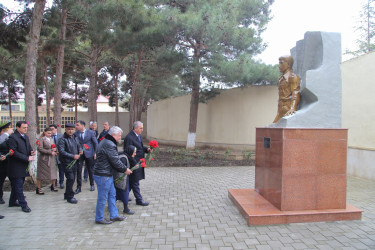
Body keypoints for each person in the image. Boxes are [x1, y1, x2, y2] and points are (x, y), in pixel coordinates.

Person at [93, 126, 131, 224]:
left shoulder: (106, 141)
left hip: (106, 174)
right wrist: (125, 169)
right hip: (103, 175)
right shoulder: (109, 144)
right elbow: (115, 160)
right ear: (113, 135)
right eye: (119, 135)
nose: (120, 138)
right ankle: (99, 218)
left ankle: (114, 215)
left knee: (112, 195)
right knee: (103, 197)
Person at [7, 121, 34, 213]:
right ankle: (24, 204)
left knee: (17, 185)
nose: (25, 129)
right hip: (15, 166)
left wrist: (31, 152)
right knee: (18, 186)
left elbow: (28, 147)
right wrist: (27, 158)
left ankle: (12, 202)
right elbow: (13, 152)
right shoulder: (12, 138)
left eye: (26, 127)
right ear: (17, 128)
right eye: (23, 127)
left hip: (23, 165)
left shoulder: (25, 136)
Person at [123, 121, 151, 206]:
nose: (142, 130)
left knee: (132, 182)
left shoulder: (138, 136)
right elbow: (127, 152)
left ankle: (123, 196)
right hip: (134, 163)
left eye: (142, 128)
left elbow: (140, 147)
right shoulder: (129, 137)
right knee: (135, 182)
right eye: (140, 128)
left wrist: (147, 149)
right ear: (135, 128)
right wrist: (134, 163)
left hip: (139, 162)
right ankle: (139, 199)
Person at [57, 123, 82, 204]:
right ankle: (70, 197)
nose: (70, 131)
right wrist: (73, 156)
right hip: (66, 162)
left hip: (74, 162)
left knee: (72, 178)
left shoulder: (75, 137)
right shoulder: (62, 139)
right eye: (69, 129)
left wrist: (80, 150)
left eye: (72, 129)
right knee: (70, 178)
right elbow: (62, 151)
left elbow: (78, 145)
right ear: (66, 130)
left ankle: (66, 194)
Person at [273, 55, 301, 123]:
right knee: (273, 127)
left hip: (287, 108)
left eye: (281, 63)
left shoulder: (292, 77)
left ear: (288, 64)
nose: (279, 65)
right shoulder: (281, 79)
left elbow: (296, 92)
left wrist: (293, 107)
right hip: (280, 109)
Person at [74, 120, 98, 193]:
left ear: (82, 125)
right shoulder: (75, 134)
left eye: (78, 125)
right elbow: (75, 143)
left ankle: (92, 184)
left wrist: (95, 153)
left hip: (89, 153)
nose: (76, 126)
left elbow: (95, 143)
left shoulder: (90, 132)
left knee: (90, 169)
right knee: (79, 170)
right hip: (80, 154)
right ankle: (79, 187)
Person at [36, 127, 59, 195]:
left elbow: (54, 146)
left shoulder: (51, 139)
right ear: (45, 132)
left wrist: (55, 150)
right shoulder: (41, 139)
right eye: (48, 133)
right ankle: (39, 188)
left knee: (53, 172)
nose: (49, 134)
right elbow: (40, 149)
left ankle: (53, 186)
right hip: (44, 158)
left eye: (51, 133)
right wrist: (49, 152)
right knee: (41, 174)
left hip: (51, 158)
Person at [116, 145, 137, 215]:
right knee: (124, 192)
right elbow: (121, 169)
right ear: (130, 152)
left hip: (121, 178)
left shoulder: (126, 156)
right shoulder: (124, 158)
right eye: (134, 152)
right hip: (121, 179)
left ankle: (112, 206)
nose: (135, 154)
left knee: (117, 193)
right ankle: (126, 209)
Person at [0, 121, 13, 205]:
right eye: (5, 130)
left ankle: (15, 195)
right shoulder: (3, 137)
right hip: (1, 163)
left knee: (14, 180)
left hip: (9, 161)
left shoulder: (8, 137)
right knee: (1, 180)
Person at [49, 124, 64, 189]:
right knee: (53, 170)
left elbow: (63, 145)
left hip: (60, 155)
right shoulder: (48, 137)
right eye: (50, 129)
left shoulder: (61, 136)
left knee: (61, 169)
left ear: (56, 129)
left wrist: (58, 151)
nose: (51, 131)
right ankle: (54, 183)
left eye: (52, 129)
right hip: (52, 156)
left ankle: (61, 182)